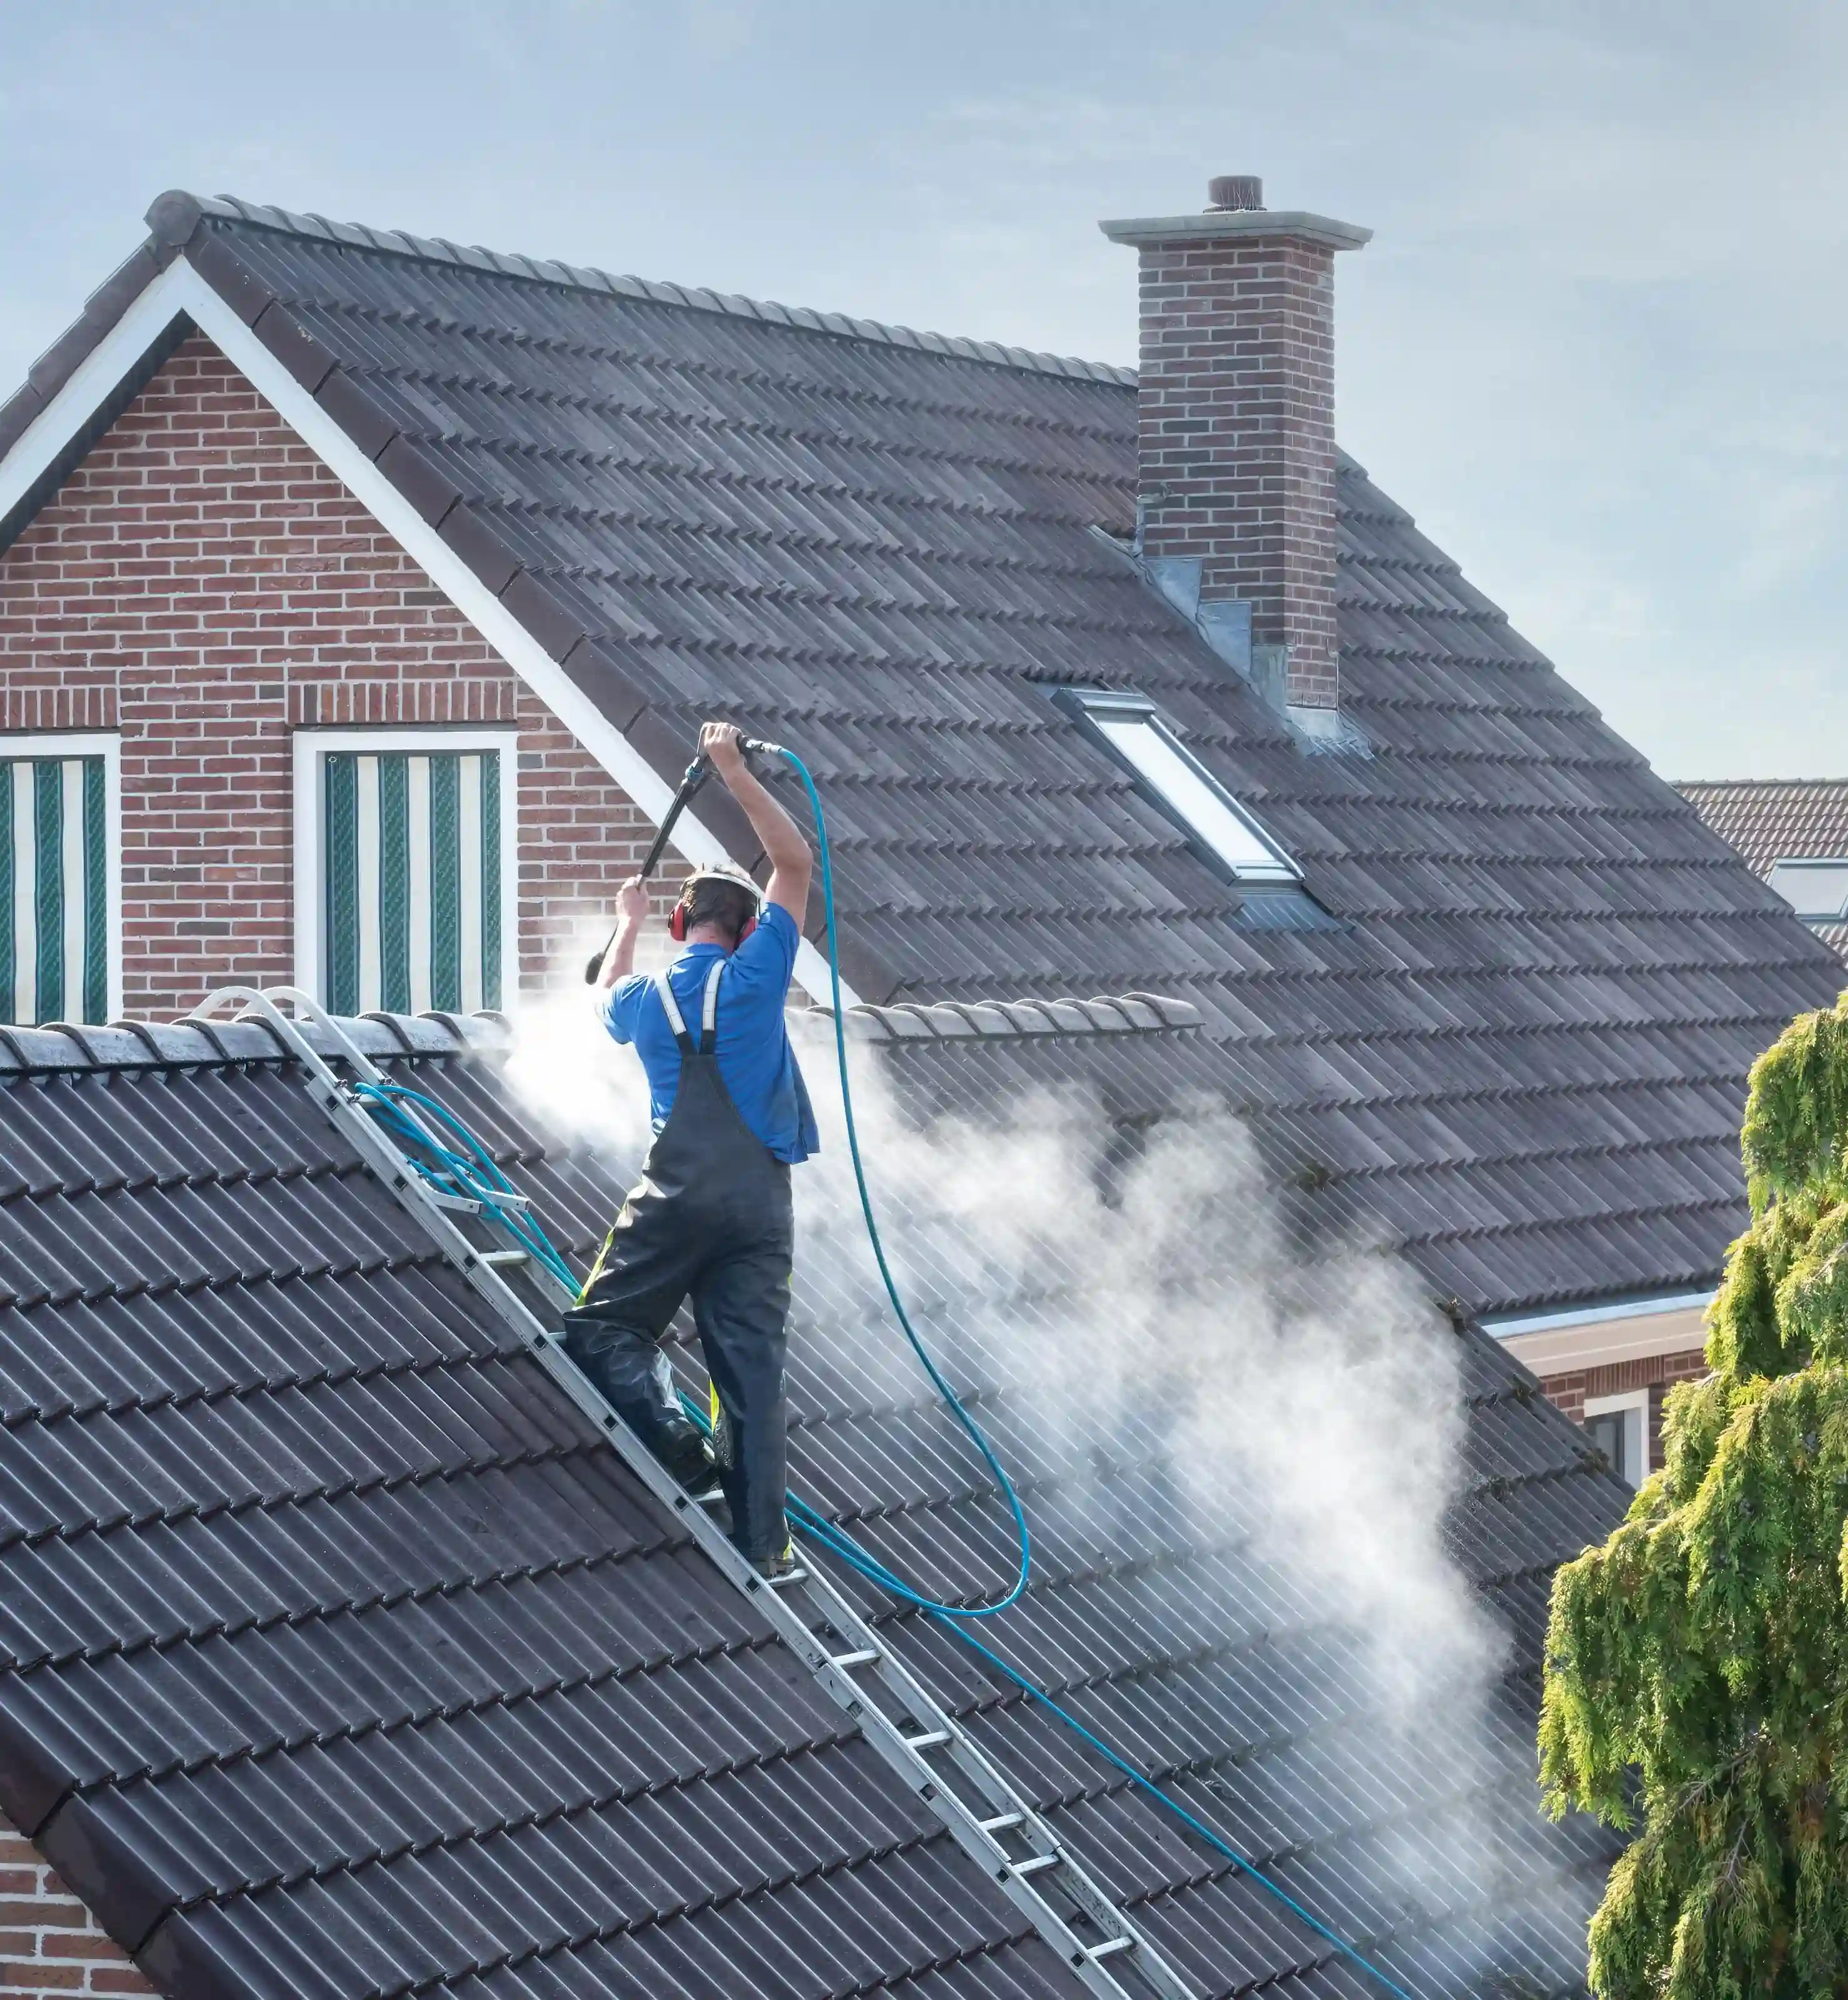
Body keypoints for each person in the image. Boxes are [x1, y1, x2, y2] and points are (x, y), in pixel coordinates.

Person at [566, 721, 817, 1577]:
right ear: (751, 931)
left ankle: (671, 1434)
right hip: (758, 1207)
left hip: (672, 1199)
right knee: (749, 1375)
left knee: (603, 1329)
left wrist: (624, 922)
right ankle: (765, 1548)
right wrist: (733, 773)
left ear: (682, 924)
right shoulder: (758, 978)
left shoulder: (642, 997)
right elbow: (795, 864)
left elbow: (601, 991)